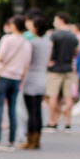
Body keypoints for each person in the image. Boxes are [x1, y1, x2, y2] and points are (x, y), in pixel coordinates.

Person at [0, 16, 31, 152]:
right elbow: (26, 64)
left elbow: (0, 57)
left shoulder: (7, 39)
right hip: (17, 77)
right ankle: (11, 140)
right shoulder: (26, 43)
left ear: (14, 26)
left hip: (4, 75)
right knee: (12, 109)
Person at [21, 14, 51, 150]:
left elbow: (27, 62)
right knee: (37, 110)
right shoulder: (47, 43)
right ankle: (37, 139)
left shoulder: (32, 43)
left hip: (31, 77)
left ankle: (30, 139)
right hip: (42, 76)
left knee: (31, 111)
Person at [45, 13, 78, 131]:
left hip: (55, 69)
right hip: (68, 68)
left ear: (61, 20)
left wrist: (48, 62)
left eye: (55, 20)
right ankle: (68, 121)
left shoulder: (54, 35)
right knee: (68, 96)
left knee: (53, 96)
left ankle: (52, 121)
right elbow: (76, 52)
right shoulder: (73, 36)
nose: (54, 23)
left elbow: (50, 49)